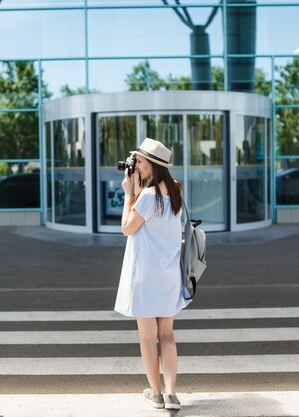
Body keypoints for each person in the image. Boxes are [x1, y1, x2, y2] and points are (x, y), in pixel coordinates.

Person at [114, 138, 191, 411]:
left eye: (142, 162)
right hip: (168, 274)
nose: (138, 167)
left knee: (148, 336)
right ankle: (172, 394)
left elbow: (127, 228)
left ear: (155, 165)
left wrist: (128, 193)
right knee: (167, 335)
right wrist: (137, 189)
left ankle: (156, 394)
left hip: (145, 276)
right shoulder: (176, 193)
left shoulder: (147, 197)